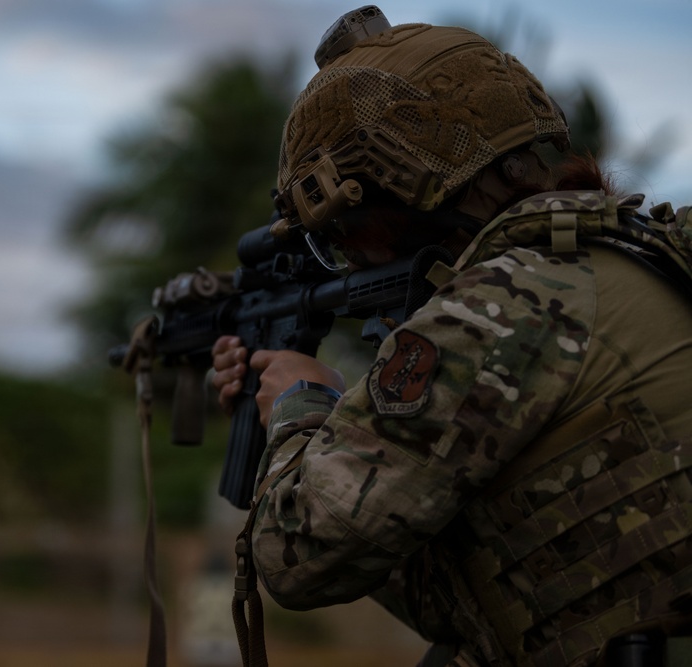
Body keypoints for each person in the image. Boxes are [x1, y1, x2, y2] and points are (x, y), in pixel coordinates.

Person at [211, 6, 692, 666]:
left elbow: (299, 554)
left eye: (345, 240)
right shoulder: (627, 254)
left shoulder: (502, 305)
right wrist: (354, 434)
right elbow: (482, 589)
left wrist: (301, 405)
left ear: (398, 203)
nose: (351, 263)